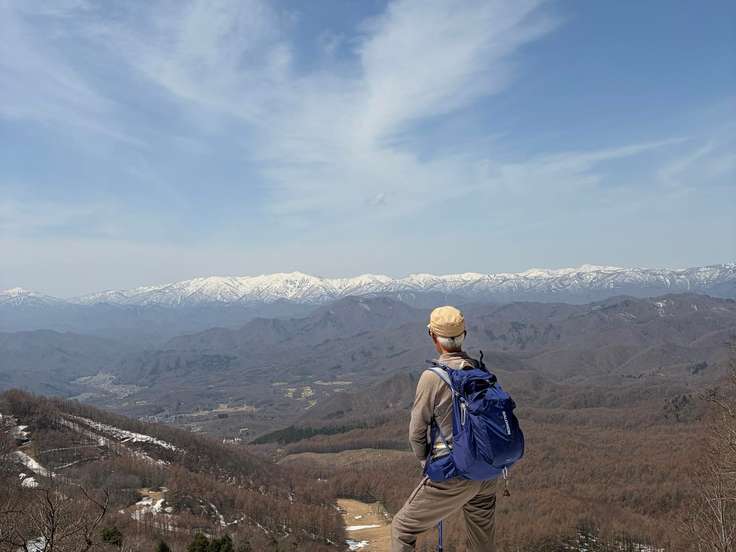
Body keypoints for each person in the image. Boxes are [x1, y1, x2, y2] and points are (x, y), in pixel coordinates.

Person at [391, 306, 497, 552]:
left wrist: (426, 462)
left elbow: (416, 433)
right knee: (481, 543)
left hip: (454, 472)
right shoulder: (481, 371)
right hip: (488, 470)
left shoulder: (433, 377)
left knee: (402, 528)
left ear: (433, 337)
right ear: (464, 335)